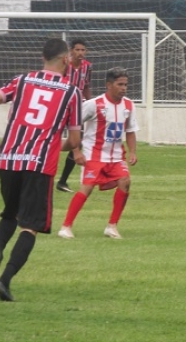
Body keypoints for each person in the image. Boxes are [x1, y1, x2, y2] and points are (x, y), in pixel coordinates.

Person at [0, 38, 83, 302]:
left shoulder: (23, 80)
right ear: (65, 60)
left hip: (10, 159)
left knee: (9, 213)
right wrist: (51, 146)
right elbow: (74, 141)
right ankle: (4, 281)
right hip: (39, 165)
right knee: (30, 226)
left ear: (42, 58)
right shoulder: (72, 92)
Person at [58, 67, 138, 240]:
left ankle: (112, 226)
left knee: (125, 182)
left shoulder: (129, 105)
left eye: (126, 84)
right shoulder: (93, 104)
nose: (124, 88)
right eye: (120, 84)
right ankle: (66, 226)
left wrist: (132, 151)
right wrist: (76, 151)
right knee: (87, 188)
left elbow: (130, 130)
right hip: (93, 155)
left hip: (116, 156)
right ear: (109, 85)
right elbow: (74, 125)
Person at [56, 39, 93, 193]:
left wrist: (91, 104)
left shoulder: (87, 67)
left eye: (83, 50)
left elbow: (86, 86)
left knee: (76, 141)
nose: (80, 53)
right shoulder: (65, 66)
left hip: (79, 107)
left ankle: (63, 181)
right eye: (77, 50)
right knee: (68, 141)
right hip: (62, 105)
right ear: (71, 51)